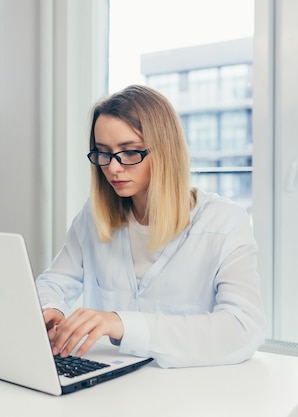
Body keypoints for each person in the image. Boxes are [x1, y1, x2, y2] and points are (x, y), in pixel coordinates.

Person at [36, 85, 265, 368]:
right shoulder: (94, 216)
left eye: (129, 152)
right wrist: (52, 309)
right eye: (103, 153)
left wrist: (121, 324)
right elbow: (53, 282)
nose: (113, 168)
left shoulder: (224, 222)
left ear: (165, 150)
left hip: (190, 393)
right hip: (110, 385)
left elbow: (242, 329)